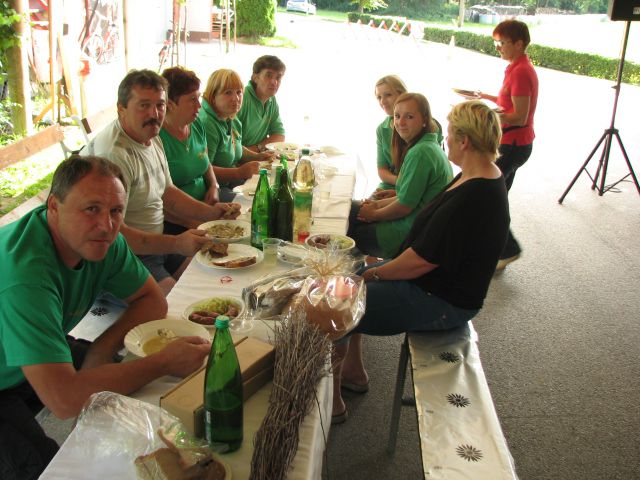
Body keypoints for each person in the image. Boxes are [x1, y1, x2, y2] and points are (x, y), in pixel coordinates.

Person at [0, 156, 211, 479]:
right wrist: (161, 363)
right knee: (47, 467)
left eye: (116, 211)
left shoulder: (103, 238)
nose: (107, 225)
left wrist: (101, 349)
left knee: (131, 388)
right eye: (91, 209)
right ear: (53, 207)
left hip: (27, 348)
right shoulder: (27, 276)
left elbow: (152, 300)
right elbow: (65, 401)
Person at [332, 101, 511, 423]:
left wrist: (375, 274)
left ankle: (331, 402)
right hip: (433, 285)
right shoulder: (476, 176)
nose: (447, 141)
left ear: (465, 141)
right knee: (350, 274)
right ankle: (352, 371)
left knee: (336, 303)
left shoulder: (476, 194)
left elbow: (420, 262)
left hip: (441, 300)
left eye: (452, 134)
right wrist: (368, 270)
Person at [84, 69, 241, 295]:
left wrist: (211, 214)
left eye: (160, 105)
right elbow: (114, 233)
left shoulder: (150, 135)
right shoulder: (113, 155)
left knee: (215, 273)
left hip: (157, 243)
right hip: (125, 255)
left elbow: (168, 192)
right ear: (121, 109)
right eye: (144, 105)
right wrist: (176, 243)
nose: (154, 113)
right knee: (177, 302)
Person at [347, 93, 453, 259]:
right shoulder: (428, 144)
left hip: (406, 233)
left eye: (409, 117)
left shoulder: (420, 153)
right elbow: (409, 197)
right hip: (415, 222)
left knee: (348, 231)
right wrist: (376, 205)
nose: (400, 123)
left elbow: (405, 206)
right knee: (349, 208)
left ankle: (356, 277)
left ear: (425, 120)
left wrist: (373, 213)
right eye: (397, 116)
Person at [477, 19, 538, 270]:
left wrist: (485, 115)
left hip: (514, 146)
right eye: (497, 43)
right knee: (496, 198)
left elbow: (519, 117)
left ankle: (508, 249)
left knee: (487, 196)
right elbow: (509, 103)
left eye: (502, 43)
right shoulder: (515, 67)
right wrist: (483, 97)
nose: (498, 47)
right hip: (511, 143)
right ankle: (498, 248)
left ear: (519, 43)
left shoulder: (522, 71)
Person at [198, 69, 274, 202]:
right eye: (228, 93)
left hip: (230, 182)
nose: (236, 98)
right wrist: (239, 172)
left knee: (271, 188)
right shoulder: (207, 123)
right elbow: (204, 171)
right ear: (212, 96)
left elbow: (234, 146)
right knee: (259, 203)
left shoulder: (230, 116)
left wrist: (258, 156)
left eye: (239, 92)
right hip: (211, 190)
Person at [159, 67, 219, 235]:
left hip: (205, 206)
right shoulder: (157, 139)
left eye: (199, 98)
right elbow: (159, 201)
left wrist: (214, 186)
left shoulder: (196, 124)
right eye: (192, 99)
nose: (199, 105)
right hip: (176, 220)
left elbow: (205, 161)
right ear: (170, 104)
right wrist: (194, 222)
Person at [237, 55, 286, 153]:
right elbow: (230, 144)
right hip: (237, 162)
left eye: (278, 77)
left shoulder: (272, 100)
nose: (274, 82)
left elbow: (279, 135)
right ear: (255, 78)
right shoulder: (242, 98)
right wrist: (255, 152)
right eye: (269, 75)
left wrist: (258, 148)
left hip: (257, 156)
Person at [373, 75, 408, 198]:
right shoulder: (382, 129)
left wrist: (405, 186)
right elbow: (382, 169)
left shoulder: (420, 124)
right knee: (360, 209)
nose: (383, 101)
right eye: (379, 97)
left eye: (388, 95)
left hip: (416, 187)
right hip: (391, 184)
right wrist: (399, 182)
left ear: (402, 94)